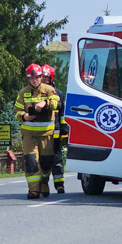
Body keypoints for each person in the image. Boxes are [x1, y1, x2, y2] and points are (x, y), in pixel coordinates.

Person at [15, 64, 60, 199]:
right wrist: (24, 116)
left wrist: (45, 103)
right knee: (31, 161)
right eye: (32, 78)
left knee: (46, 162)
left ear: (41, 77)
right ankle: (33, 190)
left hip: (46, 133)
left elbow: (57, 103)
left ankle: (44, 182)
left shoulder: (49, 90)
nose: (35, 80)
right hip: (29, 134)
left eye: (37, 77)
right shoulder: (23, 92)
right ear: (28, 79)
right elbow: (17, 111)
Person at [42, 65, 68, 194]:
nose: (44, 79)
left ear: (51, 78)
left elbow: (63, 113)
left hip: (56, 130)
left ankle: (59, 185)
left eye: (46, 77)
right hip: (41, 131)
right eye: (42, 77)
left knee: (57, 158)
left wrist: (64, 129)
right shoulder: (37, 94)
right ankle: (43, 183)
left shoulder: (58, 93)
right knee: (43, 159)